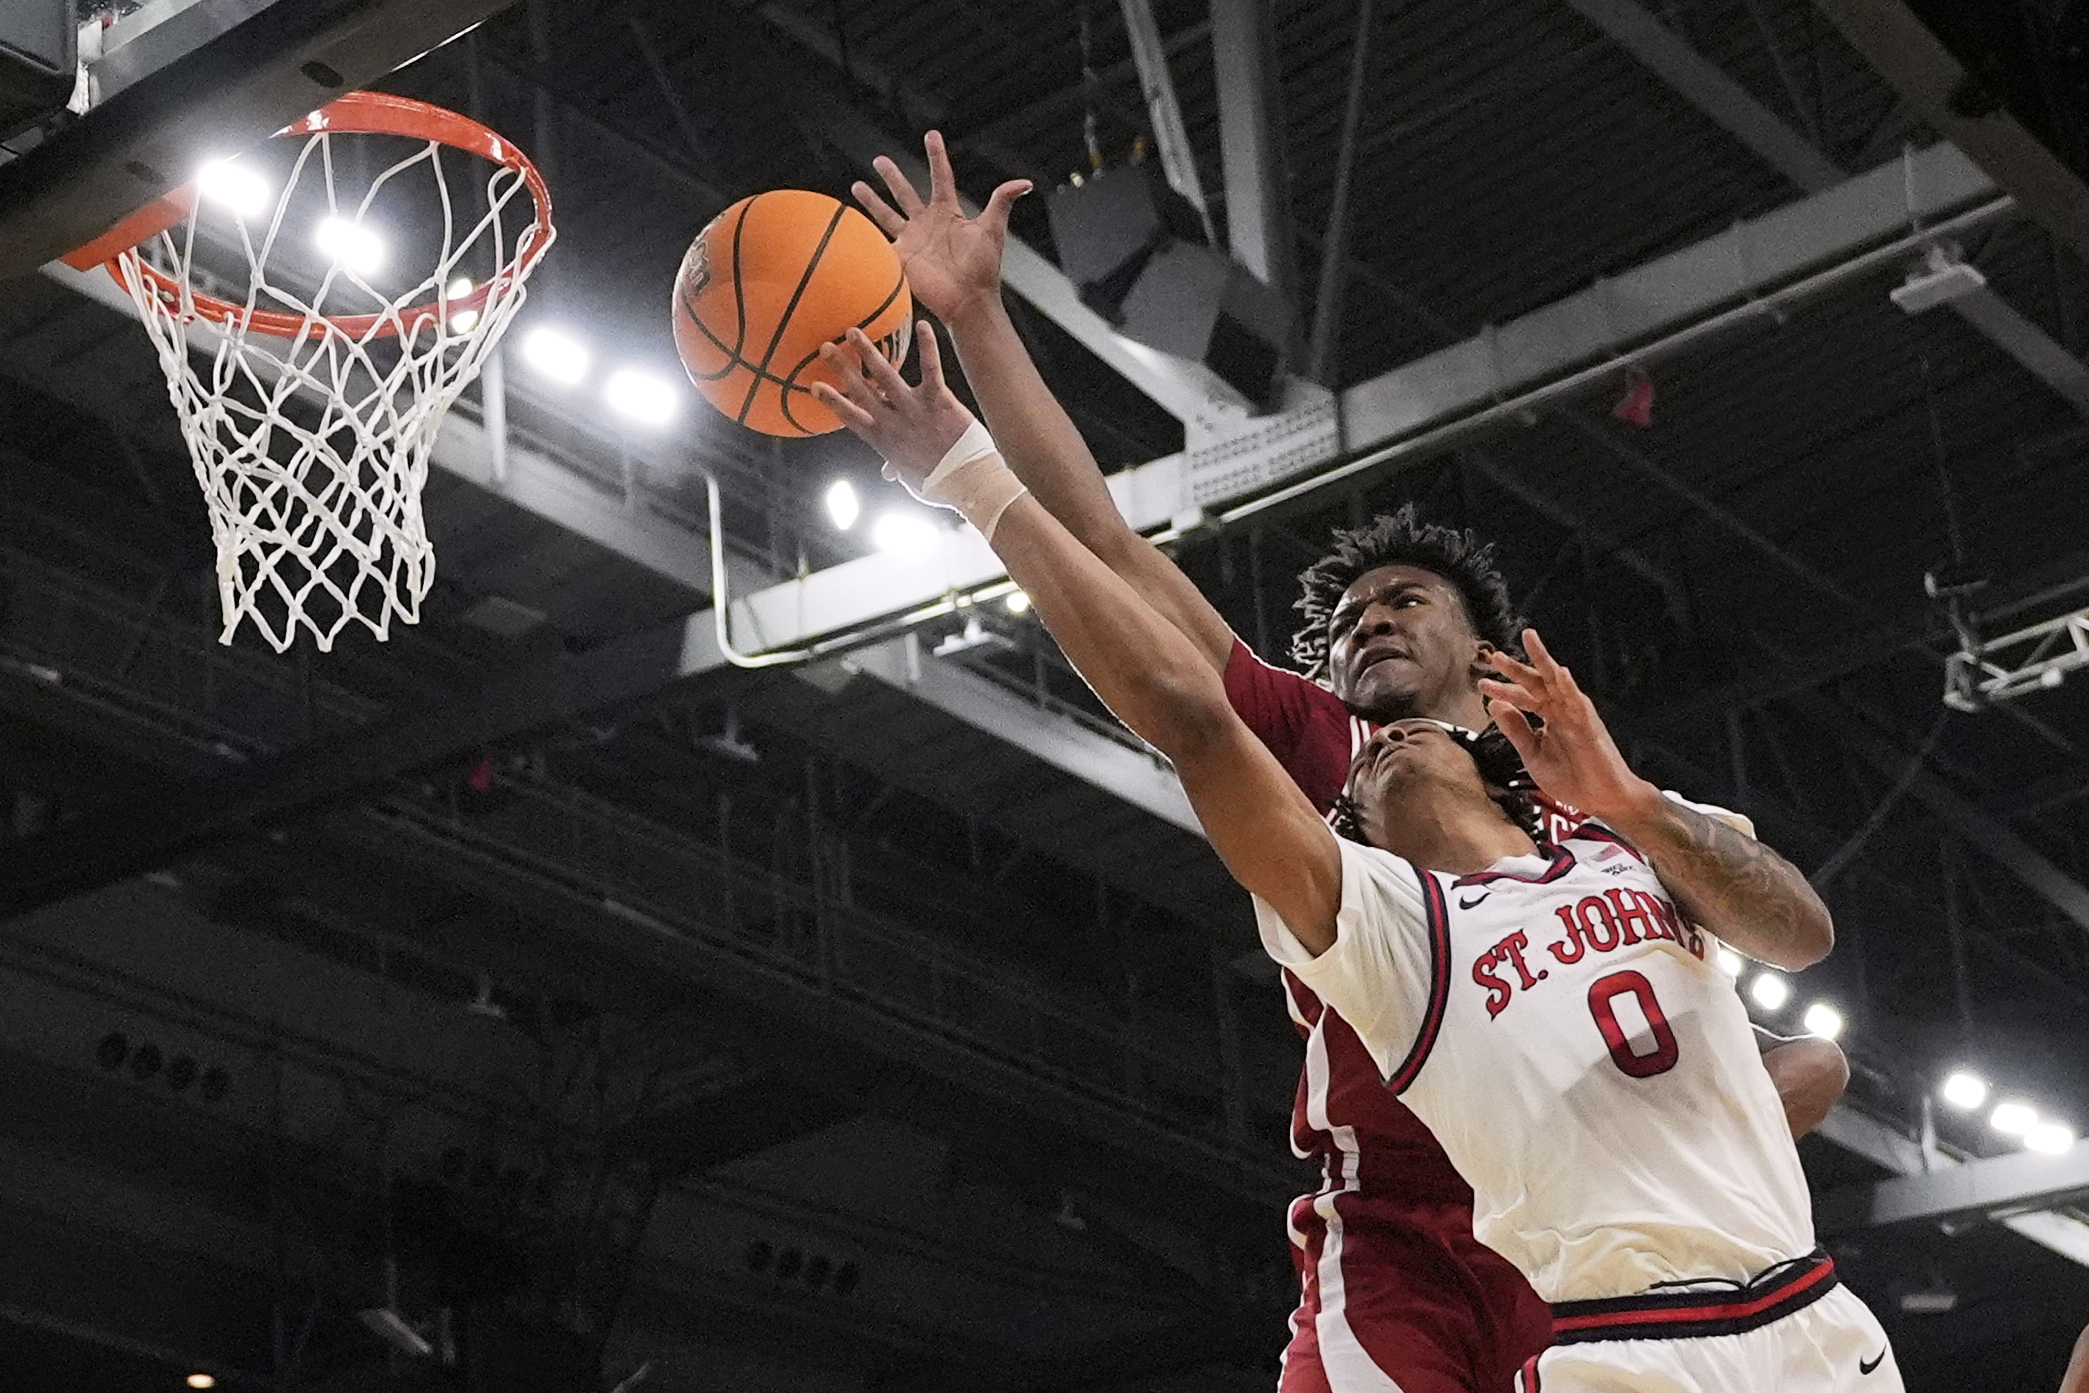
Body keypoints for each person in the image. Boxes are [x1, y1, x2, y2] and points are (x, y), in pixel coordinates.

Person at [847, 134, 1848, 1392]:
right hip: (1397, 1232)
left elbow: (1800, 1035)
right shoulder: (1328, 751)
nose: (1366, 620)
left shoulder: (1593, 808)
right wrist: (984, 319)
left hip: (1584, 1247)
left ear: (1491, 659)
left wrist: (1700, 1127)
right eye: (1347, 616)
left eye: (1404, 599)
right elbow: (1104, 538)